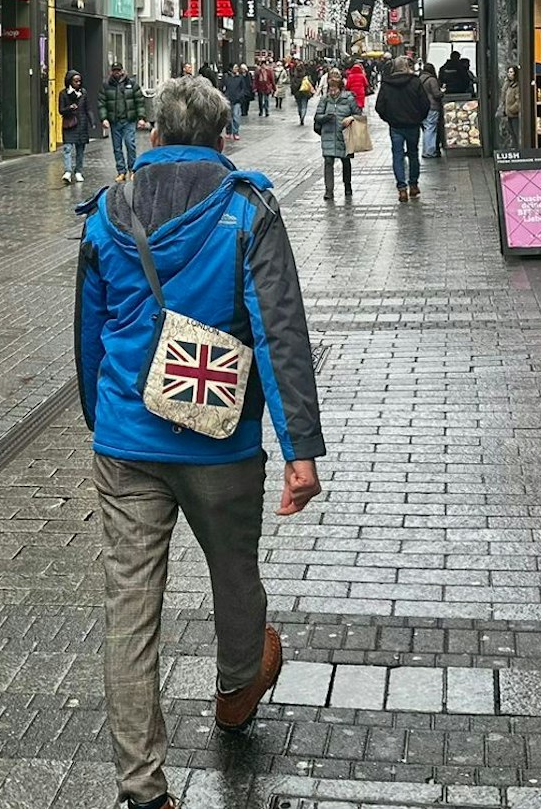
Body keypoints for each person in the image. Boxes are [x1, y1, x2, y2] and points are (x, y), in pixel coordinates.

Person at [75, 76, 324, 809]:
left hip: (127, 442)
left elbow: (89, 335)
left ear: (153, 133)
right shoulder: (247, 209)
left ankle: (143, 789)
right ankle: (237, 685)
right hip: (219, 442)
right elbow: (281, 332)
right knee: (234, 572)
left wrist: (105, 422)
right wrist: (299, 446)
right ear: (223, 136)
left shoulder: (109, 211)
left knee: (130, 606)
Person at [374, 55, 431, 203]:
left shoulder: (387, 84)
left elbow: (379, 106)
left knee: (397, 155)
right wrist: (419, 118)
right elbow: (425, 104)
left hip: (396, 126)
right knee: (413, 154)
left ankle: (401, 187)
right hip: (412, 125)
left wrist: (389, 119)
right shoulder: (415, 82)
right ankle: (413, 184)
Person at [313, 68, 360, 202]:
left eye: (335, 89)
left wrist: (350, 119)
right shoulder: (325, 100)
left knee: (345, 161)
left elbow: (358, 114)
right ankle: (329, 190)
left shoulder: (349, 99)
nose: (332, 92)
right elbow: (317, 117)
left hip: (344, 135)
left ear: (341, 88)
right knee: (328, 161)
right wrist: (325, 117)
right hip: (328, 135)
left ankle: (347, 186)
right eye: (330, 89)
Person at [100, 60, 146, 180]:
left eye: (118, 70)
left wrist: (141, 118)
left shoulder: (132, 84)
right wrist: (104, 118)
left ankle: (132, 170)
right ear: (111, 72)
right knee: (117, 147)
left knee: (130, 144)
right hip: (115, 121)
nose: (116, 73)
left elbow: (139, 101)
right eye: (114, 70)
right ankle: (121, 171)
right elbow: (102, 103)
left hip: (128, 120)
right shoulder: (106, 85)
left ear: (122, 71)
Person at [59, 69, 100, 185]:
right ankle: (67, 171)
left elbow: (88, 108)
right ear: (69, 81)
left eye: (79, 81)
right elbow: (61, 110)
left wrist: (92, 121)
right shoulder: (63, 94)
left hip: (81, 124)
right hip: (69, 124)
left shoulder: (84, 93)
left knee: (80, 150)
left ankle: (78, 171)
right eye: (75, 81)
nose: (78, 83)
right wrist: (70, 108)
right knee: (67, 148)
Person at [419, 61, 445, 160]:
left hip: (422, 107)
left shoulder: (420, 79)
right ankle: (430, 151)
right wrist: (442, 92)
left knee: (426, 128)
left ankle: (426, 150)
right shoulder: (432, 80)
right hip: (432, 106)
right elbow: (436, 94)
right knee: (431, 128)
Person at [222, 65, 254, 137]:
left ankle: (235, 132)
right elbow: (223, 87)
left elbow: (243, 88)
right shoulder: (227, 77)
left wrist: (240, 96)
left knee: (236, 116)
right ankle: (228, 131)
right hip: (228, 99)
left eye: (237, 68)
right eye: (234, 67)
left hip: (237, 100)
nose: (236, 69)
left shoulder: (240, 78)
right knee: (228, 117)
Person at [501, 65, 522, 147]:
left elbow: (519, 101)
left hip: (514, 114)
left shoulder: (517, 86)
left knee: (516, 133)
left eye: (511, 72)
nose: (509, 74)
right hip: (508, 113)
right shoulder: (508, 84)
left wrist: (511, 109)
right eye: (508, 72)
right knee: (511, 133)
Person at [289, 59, 314, 127]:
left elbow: (292, 86)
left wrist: (293, 92)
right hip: (305, 93)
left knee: (299, 106)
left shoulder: (295, 77)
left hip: (297, 94)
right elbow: (311, 84)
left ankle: (300, 116)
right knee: (304, 106)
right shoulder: (306, 77)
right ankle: (303, 117)